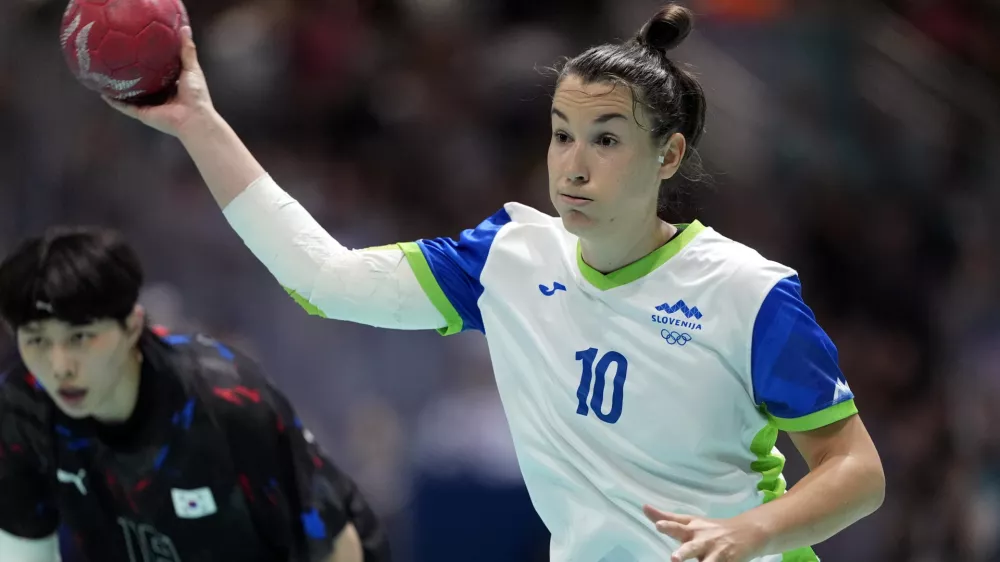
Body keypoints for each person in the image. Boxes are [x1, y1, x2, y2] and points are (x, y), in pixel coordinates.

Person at [105, 4, 886, 562]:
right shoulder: (509, 259)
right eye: (561, 134)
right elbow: (325, 279)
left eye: (607, 140)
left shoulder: (748, 294)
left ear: (669, 156)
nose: (573, 164)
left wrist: (751, 533)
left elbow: (857, 472)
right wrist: (198, 120)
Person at [0, 227, 389, 562]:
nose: (59, 366)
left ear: (132, 326)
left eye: (80, 338)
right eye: (36, 341)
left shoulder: (226, 402)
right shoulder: (24, 408)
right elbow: (23, 547)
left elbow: (337, 548)